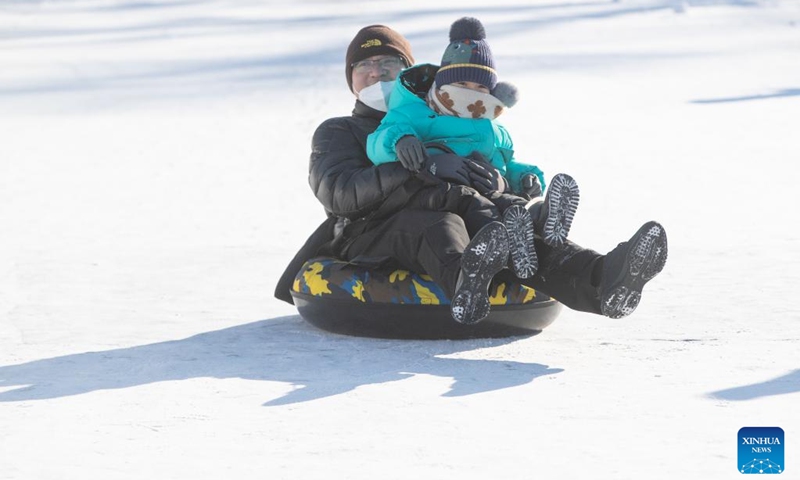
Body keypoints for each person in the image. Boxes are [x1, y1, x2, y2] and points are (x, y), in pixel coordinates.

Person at [274, 23, 668, 325]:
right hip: (373, 233)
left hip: (471, 216)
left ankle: (604, 279)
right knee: (440, 224)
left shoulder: (450, 116)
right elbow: (340, 194)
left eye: (387, 64)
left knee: (511, 230)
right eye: (364, 66)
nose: (376, 73)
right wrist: (417, 165)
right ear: (351, 78)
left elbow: (494, 157)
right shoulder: (338, 130)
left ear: (408, 72)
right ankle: (467, 284)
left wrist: (502, 181)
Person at [364, 17, 581, 287]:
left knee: (507, 204)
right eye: (463, 86)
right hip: (436, 191)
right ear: (442, 85)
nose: (471, 94)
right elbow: (376, 142)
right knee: (478, 203)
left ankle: (539, 220)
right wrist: (400, 140)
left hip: (482, 188)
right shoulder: (415, 112)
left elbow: (503, 163)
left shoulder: (491, 129)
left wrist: (522, 177)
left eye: (480, 88)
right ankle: (513, 244)